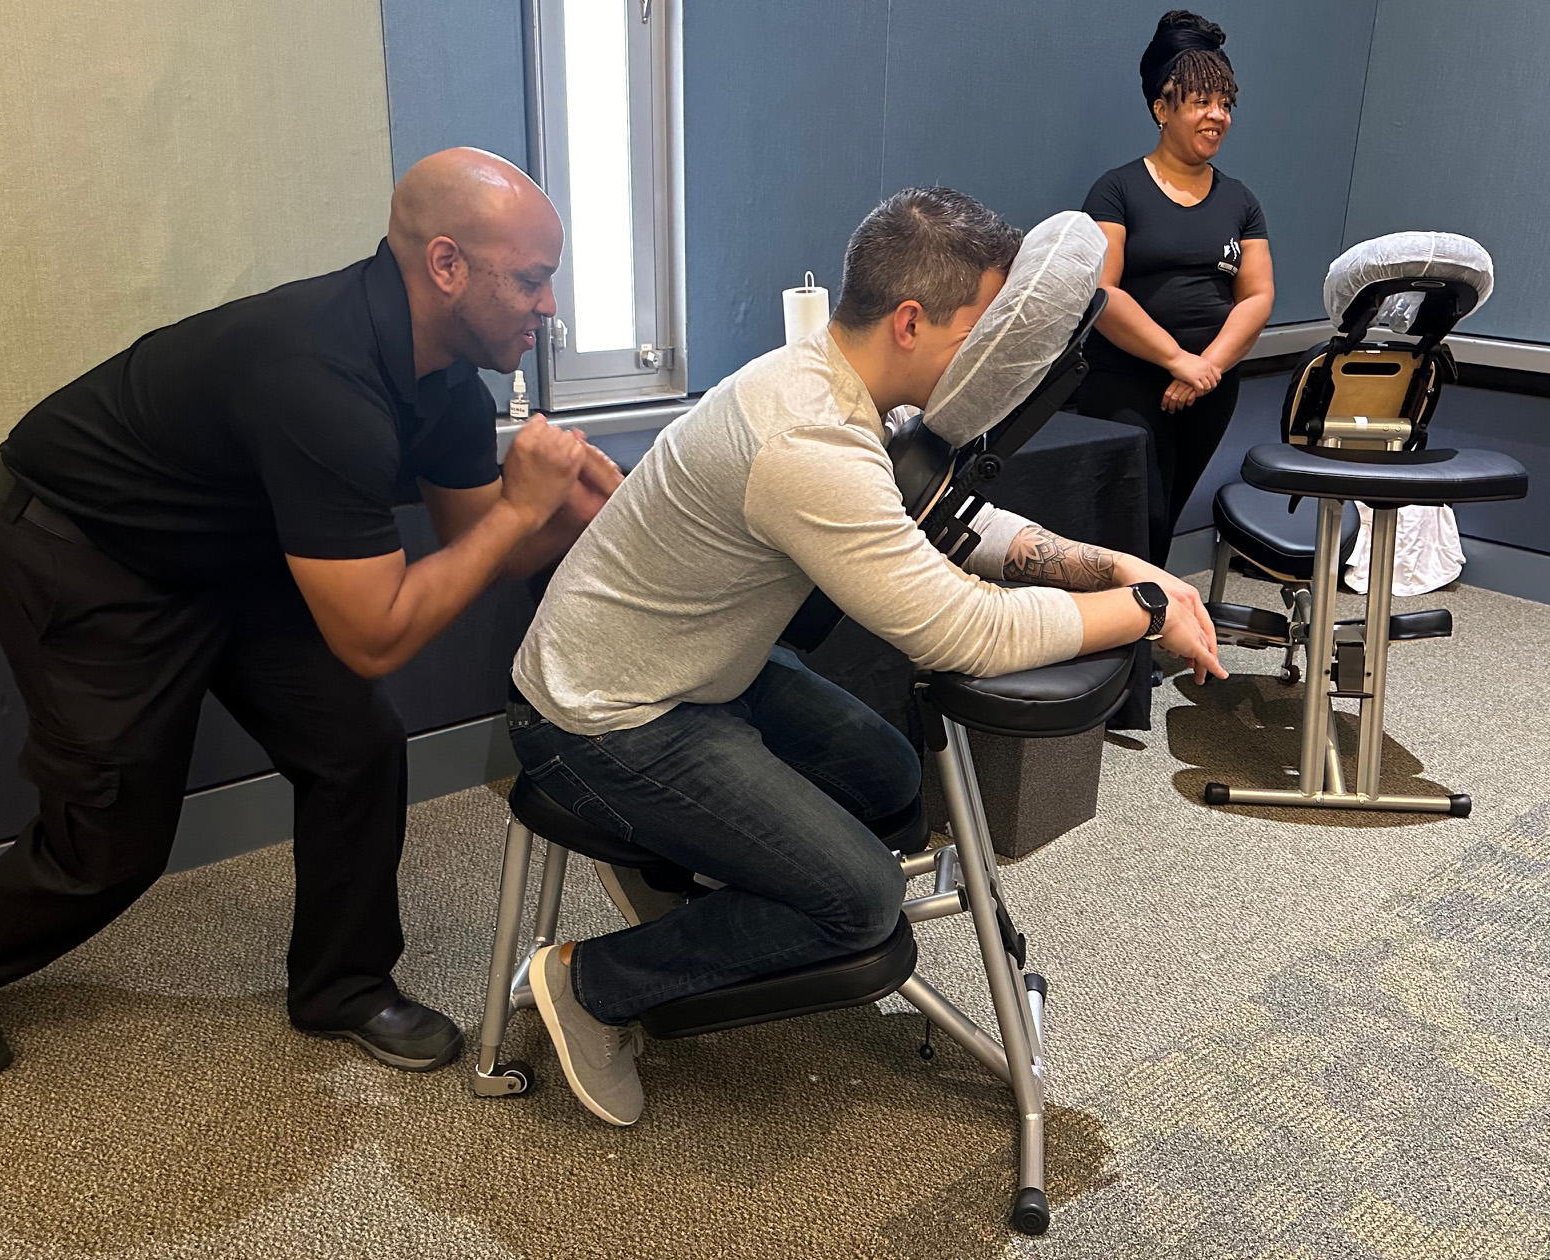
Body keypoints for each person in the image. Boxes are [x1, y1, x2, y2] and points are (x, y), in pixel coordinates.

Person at [504, 188, 1227, 1128]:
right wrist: (1137, 612)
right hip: (600, 718)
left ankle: (725, 890)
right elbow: (963, 630)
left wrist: (1126, 567)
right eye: (983, 327)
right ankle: (589, 982)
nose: (993, 354)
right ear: (913, 321)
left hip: (702, 671)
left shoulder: (858, 396)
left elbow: (958, 526)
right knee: (858, 902)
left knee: (890, 783)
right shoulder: (804, 437)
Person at [0, 148, 623, 1087]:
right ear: (446, 265)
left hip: (230, 548)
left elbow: (474, 549)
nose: (548, 306)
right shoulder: (320, 380)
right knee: (113, 838)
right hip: (85, 546)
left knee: (354, 749)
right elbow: (377, 635)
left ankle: (341, 986)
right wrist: (522, 512)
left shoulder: (452, 381)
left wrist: (575, 522)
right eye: (532, 280)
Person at [1073, 9, 1274, 576]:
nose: (1218, 116)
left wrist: (1205, 367)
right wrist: (1176, 360)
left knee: (1170, 510)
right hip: (1126, 380)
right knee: (1138, 516)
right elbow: (1103, 290)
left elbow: (1257, 296)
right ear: (1162, 109)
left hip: (1211, 384)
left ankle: (1151, 631)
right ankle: (1122, 646)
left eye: (1226, 103)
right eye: (1201, 102)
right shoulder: (1116, 190)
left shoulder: (1241, 200)